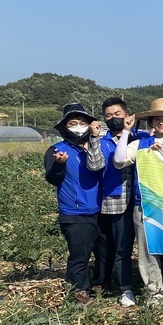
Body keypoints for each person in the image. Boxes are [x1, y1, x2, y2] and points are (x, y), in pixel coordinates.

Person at [112, 98, 163, 310]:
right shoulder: (139, 144)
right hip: (145, 203)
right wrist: (127, 132)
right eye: (157, 119)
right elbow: (119, 160)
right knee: (148, 251)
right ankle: (154, 292)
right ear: (151, 122)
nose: (161, 122)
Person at [44, 103, 105, 304]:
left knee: (104, 253)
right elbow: (53, 178)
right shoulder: (57, 150)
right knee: (80, 254)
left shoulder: (96, 147)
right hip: (75, 212)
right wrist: (60, 164)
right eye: (73, 123)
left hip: (100, 210)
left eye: (82, 122)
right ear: (65, 127)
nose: (78, 126)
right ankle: (79, 291)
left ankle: (100, 285)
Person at [96, 97, 147, 307]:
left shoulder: (143, 138)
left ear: (128, 115)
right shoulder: (100, 142)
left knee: (148, 247)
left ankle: (153, 286)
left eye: (117, 114)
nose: (113, 118)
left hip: (142, 199)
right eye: (108, 115)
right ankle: (125, 288)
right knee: (122, 248)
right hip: (115, 199)